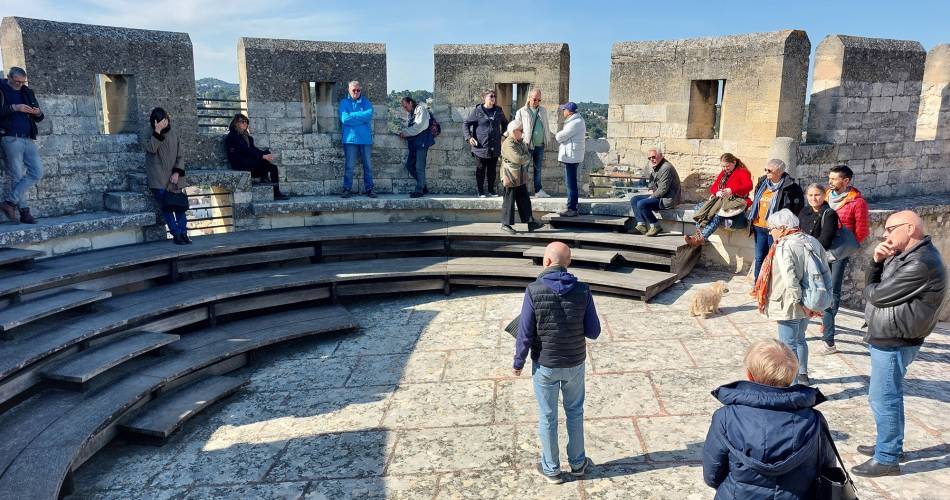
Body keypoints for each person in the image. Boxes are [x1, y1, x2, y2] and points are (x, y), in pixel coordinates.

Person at [853, 210, 947, 477]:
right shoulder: (908, 256)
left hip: (895, 338)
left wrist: (873, 267)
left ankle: (887, 457)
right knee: (888, 395)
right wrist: (881, 260)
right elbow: (886, 285)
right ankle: (890, 444)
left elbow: (878, 295)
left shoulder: (920, 263)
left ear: (909, 228)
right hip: (894, 334)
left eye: (890, 228)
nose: (884, 234)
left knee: (884, 398)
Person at [512, 241, 601, 484]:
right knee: (575, 412)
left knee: (547, 416)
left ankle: (551, 469)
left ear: (546, 262)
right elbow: (594, 331)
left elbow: (525, 333)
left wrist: (518, 362)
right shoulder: (583, 289)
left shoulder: (533, 290)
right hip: (574, 363)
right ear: (568, 262)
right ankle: (578, 463)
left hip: (545, 365)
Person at [703, 339, 836, 499]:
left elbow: (712, 475)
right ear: (792, 375)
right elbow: (828, 468)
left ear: (749, 375)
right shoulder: (814, 420)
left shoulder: (725, 417)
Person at [752, 209, 826, 386]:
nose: (770, 232)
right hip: (809, 300)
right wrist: (809, 304)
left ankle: (791, 385)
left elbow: (790, 279)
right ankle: (803, 375)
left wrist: (800, 302)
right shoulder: (811, 240)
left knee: (787, 347)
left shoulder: (785, 245)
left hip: (790, 303)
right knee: (800, 339)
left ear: (783, 228)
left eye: (772, 228)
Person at [820, 165, 870, 354]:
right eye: (830, 178)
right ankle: (826, 320)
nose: (830, 181)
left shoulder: (857, 203)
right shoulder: (825, 196)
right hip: (822, 248)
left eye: (834, 179)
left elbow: (862, 231)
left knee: (833, 291)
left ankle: (828, 339)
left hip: (840, 252)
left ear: (846, 181)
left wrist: (846, 248)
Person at [0, 67, 45, 224]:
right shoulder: (1, 88)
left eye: (22, 81)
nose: (19, 84)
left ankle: (9, 203)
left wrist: (37, 112)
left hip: (28, 138)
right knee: (17, 175)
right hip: (10, 137)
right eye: (17, 81)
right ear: (9, 77)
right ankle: (25, 213)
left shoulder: (27, 91)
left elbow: (40, 117)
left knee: (37, 172)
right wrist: (15, 108)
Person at [747, 159, 805, 281]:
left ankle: (770, 285)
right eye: (765, 169)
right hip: (759, 226)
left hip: (776, 229)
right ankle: (757, 284)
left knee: (774, 258)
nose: (766, 172)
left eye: (769, 170)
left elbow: (796, 209)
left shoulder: (792, 188)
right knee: (759, 258)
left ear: (779, 172)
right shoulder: (762, 183)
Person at [144, 107, 190, 245]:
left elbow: (180, 155)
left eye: (165, 120)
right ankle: (176, 234)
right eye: (159, 121)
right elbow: (151, 149)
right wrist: (157, 131)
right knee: (167, 208)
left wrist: (177, 172)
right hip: (158, 179)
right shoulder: (148, 134)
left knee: (180, 207)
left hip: (174, 178)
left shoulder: (174, 134)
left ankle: (183, 233)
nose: (164, 123)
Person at [686, 153, 753, 247]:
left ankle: (701, 238)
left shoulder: (743, 172)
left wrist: (732, 190)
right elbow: (714, 187)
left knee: (717, 214)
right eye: (723, 166)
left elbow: (749, 186)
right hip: (721, 201)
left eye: (727, 166)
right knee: (699, 207)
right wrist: (716, 193)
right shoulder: (724, 173)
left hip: (735, 203)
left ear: (734, 162)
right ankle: (697, 235)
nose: (725, 168)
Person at [225, 114, 289, 200]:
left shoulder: (247, 137)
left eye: (246, 122)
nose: (245, 124)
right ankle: (264, 177)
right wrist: (262, 156)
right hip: (240, 163)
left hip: (249, 162)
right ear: (235, 123)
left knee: (272, 166)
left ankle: (275, 191)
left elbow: (253, 149)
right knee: (265, 159)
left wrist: (264, 154)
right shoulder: (232, 136)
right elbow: (245, 150)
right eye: (242, 122)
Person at [499, 120, 544, 234]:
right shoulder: (508, 143)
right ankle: (505, 224)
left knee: (524, 198)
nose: (523, 132)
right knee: (509, 199)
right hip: (510, 176)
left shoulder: (519, 142)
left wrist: (525, 156)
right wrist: (525, 157)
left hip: (519, 175)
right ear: (514, 131)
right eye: (521, 130)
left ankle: (530, 222)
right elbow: (518, 159)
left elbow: (526, 154)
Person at [464, 89, 508, 197]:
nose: (493, 98)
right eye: (491, 96)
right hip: (480, 147)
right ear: (484, 98)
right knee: (480, 170)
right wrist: (469, 138)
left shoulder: (498, 110)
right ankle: (480, 191)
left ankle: (491, 190)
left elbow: (505, 123)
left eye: (494, 96)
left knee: (492, 170)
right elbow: (466, 123)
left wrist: (503, 135)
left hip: (494, 146)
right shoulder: (477, 111)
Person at [630, 147, 680, 236]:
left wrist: (651, 196)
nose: (652, 159)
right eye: (650, 158)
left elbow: (663, 189)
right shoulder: (657, 166)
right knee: (634, 199)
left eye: (653, 157)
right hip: (660, 196)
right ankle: (641, 225)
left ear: (660, 155)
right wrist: (650, 190)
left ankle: (655, 225)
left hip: (667, 199)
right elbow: (652, 182)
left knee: (642, 204)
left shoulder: (666, 167)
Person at [338, 80, 376, 198]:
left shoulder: (367, 103)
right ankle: (346, 189)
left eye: (358, 90)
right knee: (349, 166)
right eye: (353, 90)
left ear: (361, 90)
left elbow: (368, 115)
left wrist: (352, 115)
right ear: (349, 90)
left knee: (368, 166)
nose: (356, 92)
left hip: (365, 140)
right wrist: (360, 117)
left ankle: (369, 189)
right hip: (350, 139)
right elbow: (345, 119)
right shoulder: (344, 103)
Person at [513, 88, 551, 197]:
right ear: (529, 98)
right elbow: (516, 127)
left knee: (538, 169)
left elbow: (546, 126)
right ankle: (521, 191)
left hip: (540, 145)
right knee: (524, 169)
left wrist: (547, 138)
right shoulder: (521, 111)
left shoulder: (543, 110)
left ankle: (538, 191)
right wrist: (523, 137)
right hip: (527, 145)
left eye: (539, 100)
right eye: (535, 99)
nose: (537, 102)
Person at [554, 102, 586, 217]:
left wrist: (559, 136)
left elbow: (560, 136)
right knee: (570, 182)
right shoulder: (576, 120)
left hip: (571, 157)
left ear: (569, 111)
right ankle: (570, 205)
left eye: (564, 110)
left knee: (570, 183)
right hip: (572, 155)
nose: (563, 111)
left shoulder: (575, 123)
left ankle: (572, 208)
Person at [398, 96, 434, 198]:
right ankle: (423, 185)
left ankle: (419, 190)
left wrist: (405, 133)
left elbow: (419, 127)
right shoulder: (411, 114)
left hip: (422, 142)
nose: (405, 109)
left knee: (419, 167)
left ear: (410, 103)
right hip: (415, 144)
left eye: (406, 106)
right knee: (409, 165)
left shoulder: (421, 110)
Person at [798, 183, 838, 250]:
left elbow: (825, 241)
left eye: (817, 195)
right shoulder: (804, 211)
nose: (813, 198)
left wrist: (807, 248)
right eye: (810, 195)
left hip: (820, 254)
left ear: (824, 196)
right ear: (806, 196)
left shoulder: (830, 214)